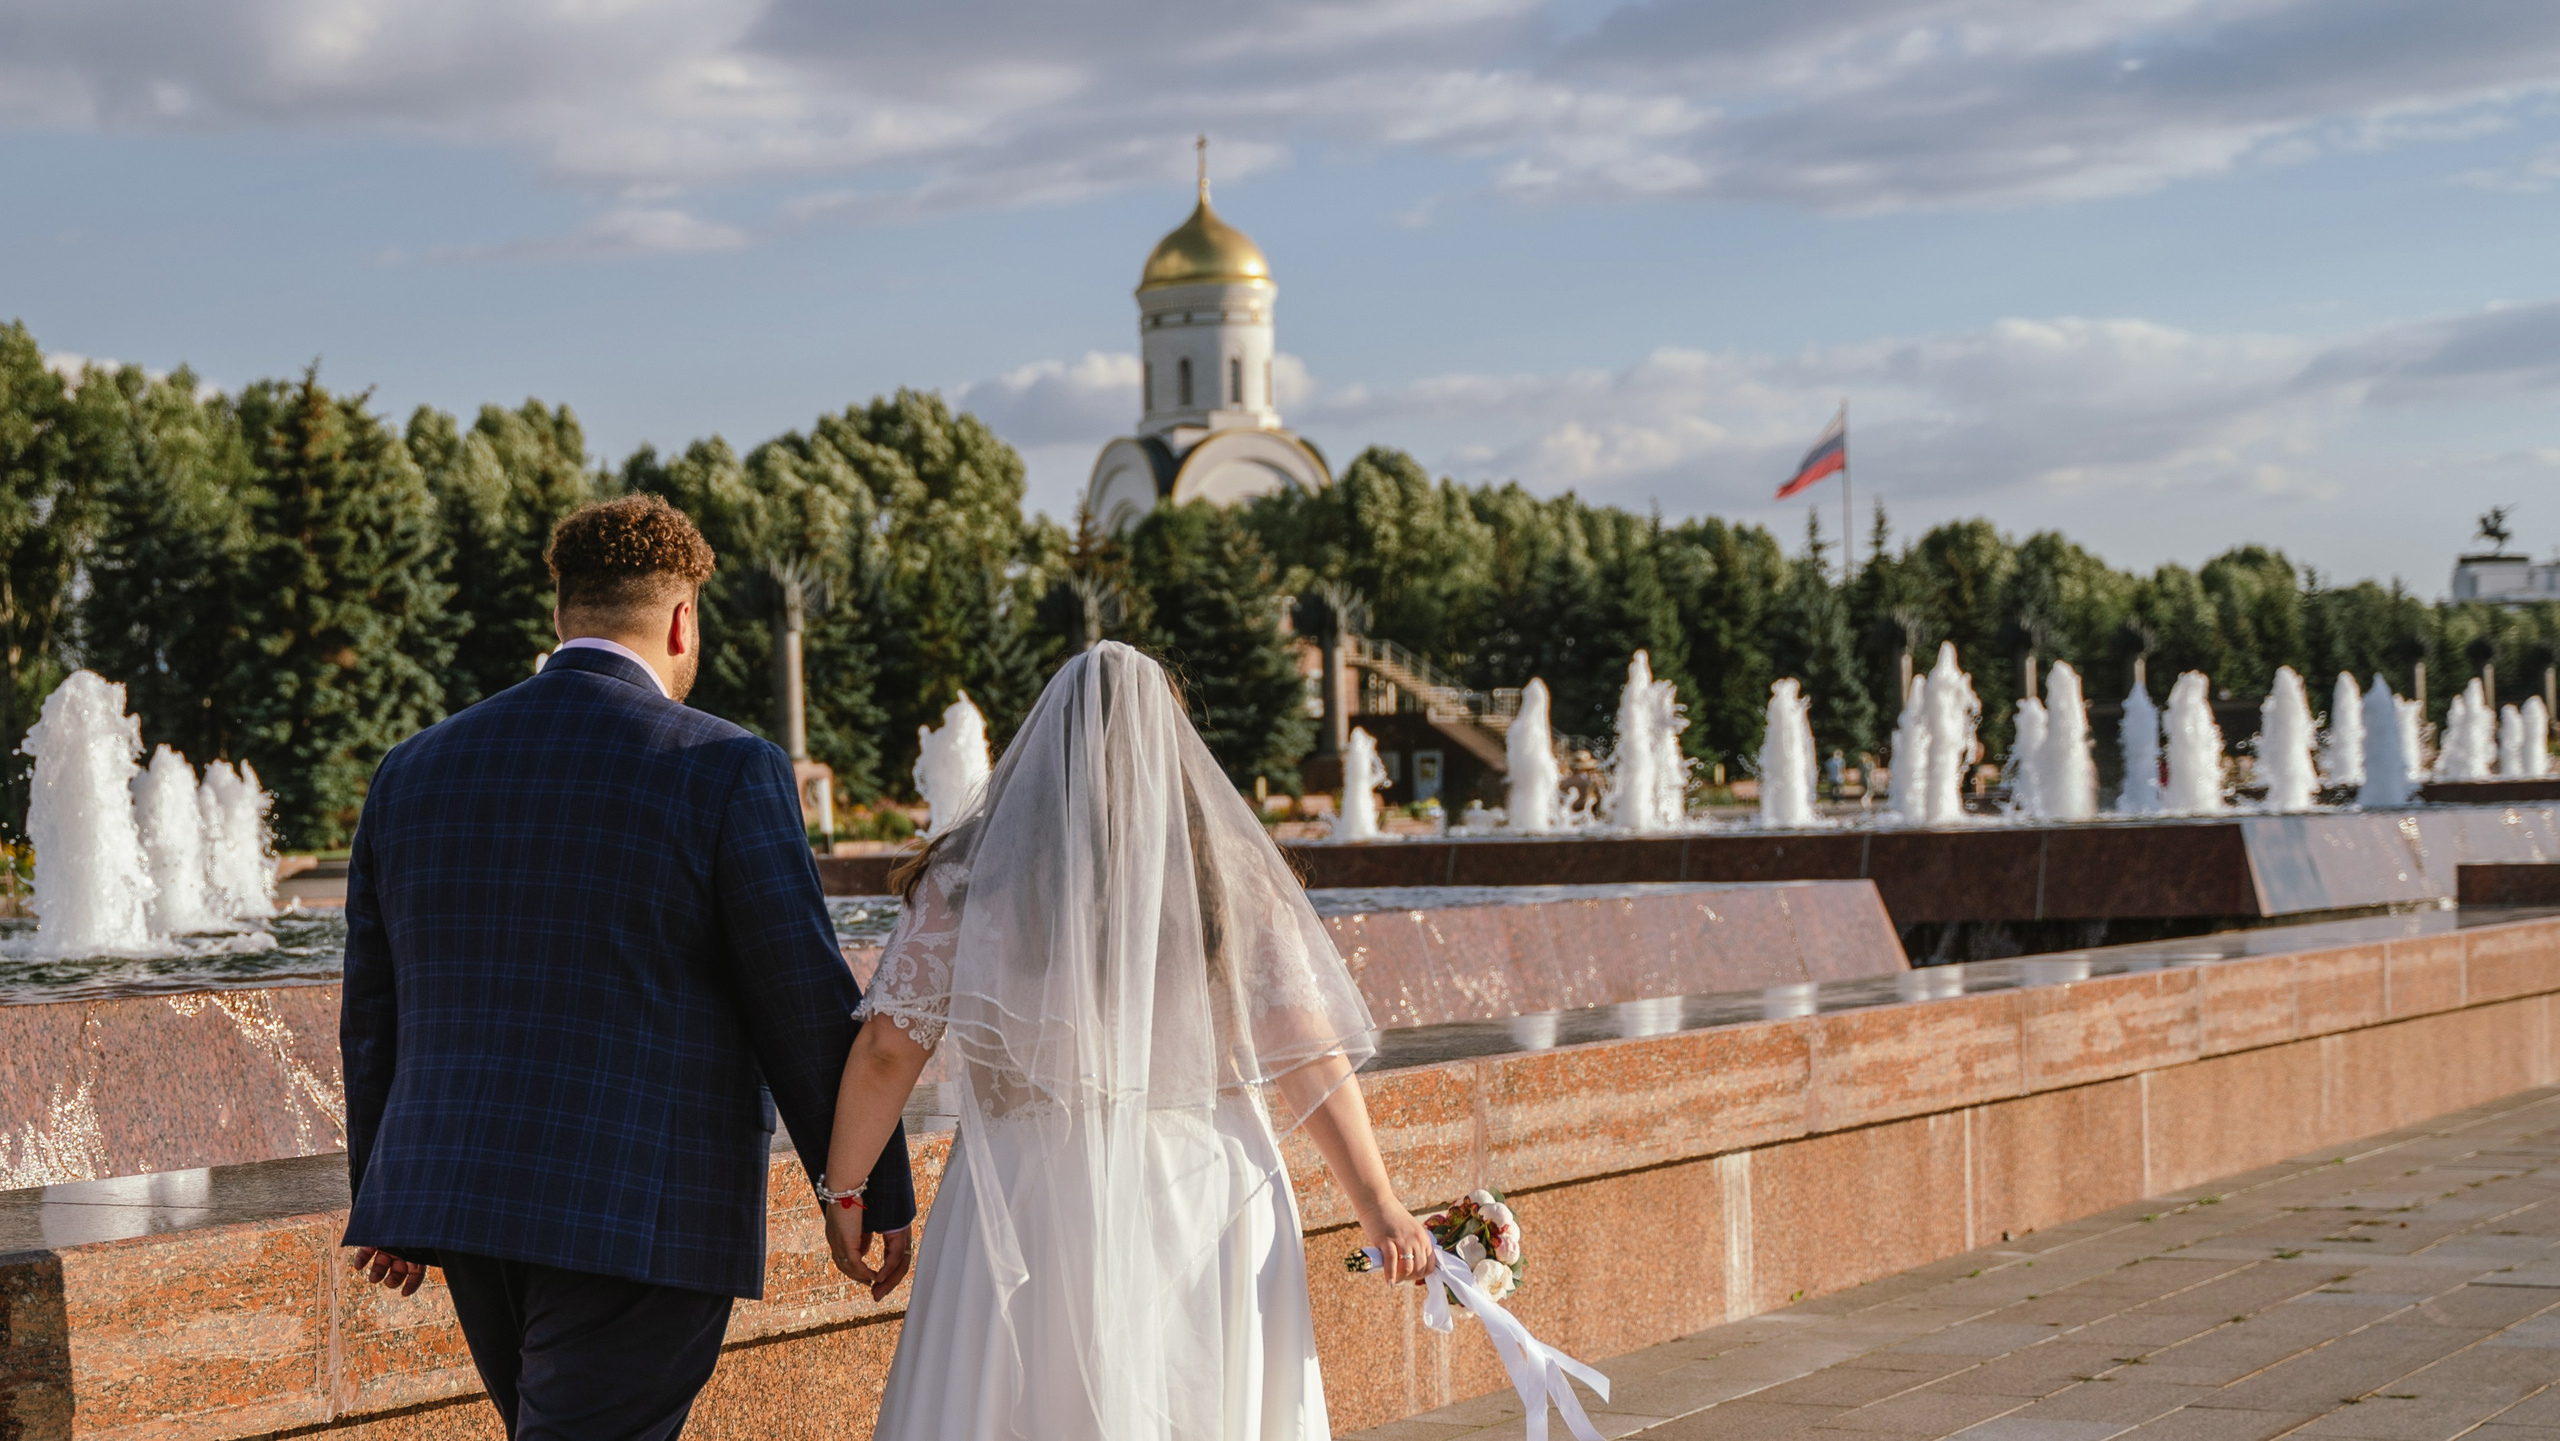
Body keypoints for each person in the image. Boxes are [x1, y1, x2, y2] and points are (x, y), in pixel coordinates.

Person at [339, 494, 916, 1440]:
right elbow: (802, 998)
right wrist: (861, 1188)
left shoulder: (413, 767)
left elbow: (374, 1010)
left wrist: (387, 1197)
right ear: (683, 619)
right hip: (640, 1210)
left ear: (560, 611)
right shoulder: (726, 765)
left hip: (464, 1206)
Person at [823, 641, 1435, 1440]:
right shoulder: (1231, 876)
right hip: (1200, 1185)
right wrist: (1378, 1202)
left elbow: (886, 1051)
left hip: (1027, 1190)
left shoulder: (969, 877)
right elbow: (1305, 1050)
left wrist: (845, 1191)